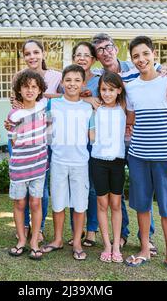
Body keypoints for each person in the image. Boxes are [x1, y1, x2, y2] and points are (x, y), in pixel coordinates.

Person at [91, 33, 167, 254]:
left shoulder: (156, 78)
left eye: (108, 47)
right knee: (137, 200)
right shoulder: (111, 81)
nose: (141, 59)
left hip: (159, 151)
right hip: (131, 151)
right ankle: (132, 241)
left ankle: (158, 246)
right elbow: (127, 115)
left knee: (164, 204)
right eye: (99, 50)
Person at [124, 36, 167, 276]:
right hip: (138, 157)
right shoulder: (131, 87)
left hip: (166, 157)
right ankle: (144, 249)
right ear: (131, 61)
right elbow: (131, 120)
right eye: (135, 56)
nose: (141, 59)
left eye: (144, 54)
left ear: (154, 54)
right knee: (142, 205)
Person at [8, 39, 62, 243]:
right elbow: (15, 106)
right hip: (23, 138)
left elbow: (67, 95)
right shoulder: (19, 77)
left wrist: (44, 95)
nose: (32, 56)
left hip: (45, 136)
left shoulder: (56, 75)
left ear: (43, 53)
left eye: (36, 52)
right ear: (23, 57)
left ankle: (38, 229)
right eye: (28, 53)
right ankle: (24, 227)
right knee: (21, 187)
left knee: (40, 188)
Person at [41, 65, 93, 261]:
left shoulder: (88, 108)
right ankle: (57, 239)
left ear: (83, 84)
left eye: (77, 80)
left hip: (80, 162)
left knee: (80, 204)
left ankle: (77, 242)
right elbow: (45, 132)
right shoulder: (53, 105)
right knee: (59, 202)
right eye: (68, 80)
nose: (72, 84)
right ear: (62, 83)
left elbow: (93, 135)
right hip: (58, 161)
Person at [7, 70, 48, 261]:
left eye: (34, 86)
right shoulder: (14, 115)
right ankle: (21, 240)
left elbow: (49, 130)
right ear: (19, 90)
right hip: (20, 167)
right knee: (20, 203)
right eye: (26, 86)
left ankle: (34, 242)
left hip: (39, 166)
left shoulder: (43, 107)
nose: (30, 90)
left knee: (36, 202)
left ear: (39, 89)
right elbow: (13, 141)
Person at [89, 71, 127, 263]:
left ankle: (116, 246)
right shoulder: (95, 108)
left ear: (119, 90)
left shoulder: (124, 107)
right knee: (102, 204)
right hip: (98, 161)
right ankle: (106, 245)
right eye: (104, 89)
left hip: (118, 161)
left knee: (116, 205)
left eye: (111, 90)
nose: (107, 93)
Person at [66, 41, 100, 247]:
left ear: (93, 59)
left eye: (86, 55)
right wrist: (82, 98)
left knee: (92, 187)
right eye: (78, 54)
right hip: (72, 141)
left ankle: (92, 230)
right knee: (74, 186)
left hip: (93, 140)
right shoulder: (69, 79)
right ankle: (75, 231)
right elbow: (61, 98)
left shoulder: (99, 79)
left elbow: (104, 101)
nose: (82, 58)